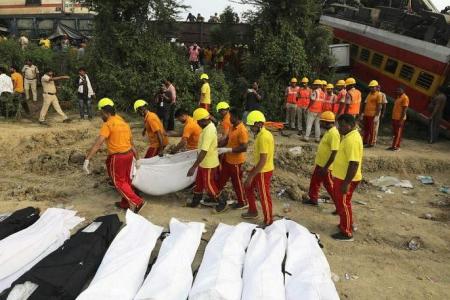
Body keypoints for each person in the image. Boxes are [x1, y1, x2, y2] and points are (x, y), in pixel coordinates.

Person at [83, 98, 145, 213]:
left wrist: (87, 159)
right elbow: (132, 143)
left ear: (106, 113)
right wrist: (137, 158)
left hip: (118, 157)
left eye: (101, 114)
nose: (101, 117)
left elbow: (98, 143)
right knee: (126, 180)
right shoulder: (124, 123)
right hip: (128, 155)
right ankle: (125, 203)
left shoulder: (108, 124)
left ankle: (137, 201)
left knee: (118, 182)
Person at [187, 108, 228, 213]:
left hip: (208, 162)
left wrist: (193, 167)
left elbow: (204, 151)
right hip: (203, 162)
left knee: (208, 184)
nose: (198, 124)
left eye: (198, 121)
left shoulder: (208, 131)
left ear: (203, 120)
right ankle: (196, 200)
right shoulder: (207, 127)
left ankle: (221, 202)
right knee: (199, 182)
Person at [331, 114, 363, 241]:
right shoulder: (348, 136)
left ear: (350, 125)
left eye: (342, 126)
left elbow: (354, 163)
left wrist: (346, 183)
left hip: (346, 179)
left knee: (344, 204)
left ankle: (347, 232)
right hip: (342, 177)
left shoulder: (352, 140)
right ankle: (345, 224)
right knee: (342, 203)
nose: (339, 129)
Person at [303, 111, 340, 206]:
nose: (320, 123)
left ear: (327, 122)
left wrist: (326, 167)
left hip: (326, 166)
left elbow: (334, 152)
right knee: (315, 181)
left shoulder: (334, 134)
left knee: (330, 186)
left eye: (322, 121)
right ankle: (313, 199)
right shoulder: (329, 132)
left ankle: (339, 205)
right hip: (320, 164)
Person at [217, 108, 249, 209]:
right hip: (228, 160)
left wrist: (228, 150)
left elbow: (244, 147)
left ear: (237, 117)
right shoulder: (232, 126)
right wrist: (217, 146)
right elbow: (227, 139)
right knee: (221, 178)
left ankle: (243, 202)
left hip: (236, 162)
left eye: (231, 117)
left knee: (237, 183)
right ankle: (215, 196)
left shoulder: (242, 130)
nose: (229, 118)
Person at [361, 80, 382, 147]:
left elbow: (379, 106)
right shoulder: (369, 94)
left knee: (371, 130)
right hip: (366, 114)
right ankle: (365, 141)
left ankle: (371, 143)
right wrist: (362, 113)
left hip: (372, 115)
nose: (371, 88)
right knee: (366, 128)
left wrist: (376, 116)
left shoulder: (378, 95)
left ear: (376, 87)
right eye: (370, 87)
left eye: (373, 87)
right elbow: (365, 103)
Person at [389, 87, 409, 151]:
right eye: (397, 90)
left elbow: (404, 110)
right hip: (395, 117)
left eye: (399, 90)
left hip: (399, 119)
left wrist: (401, 120)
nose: (397, 91)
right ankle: (393, 145)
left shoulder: (405, 98)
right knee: (395, 133)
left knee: (398, 133)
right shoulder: (398, 97)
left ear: (403, 90)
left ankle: (396, 146)